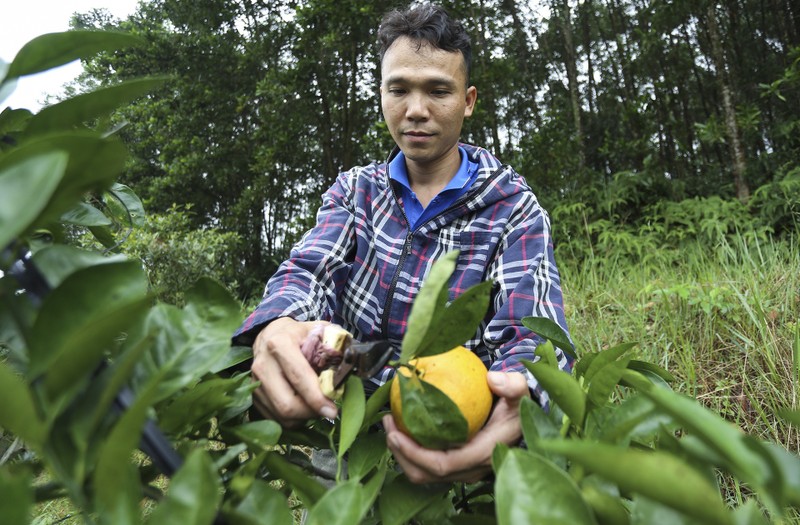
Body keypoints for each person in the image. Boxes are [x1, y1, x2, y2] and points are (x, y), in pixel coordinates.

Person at [233, 3, 572, 484]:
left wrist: (525, 393)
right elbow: (310, 270)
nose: (416, 110)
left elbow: (534, 329)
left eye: (438, 90)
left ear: (468, 100)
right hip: (353, 426)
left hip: (458, 433)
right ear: (381, 94)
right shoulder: (356, 192)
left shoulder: (512, 207)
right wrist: (277, 321)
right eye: (399, 89)